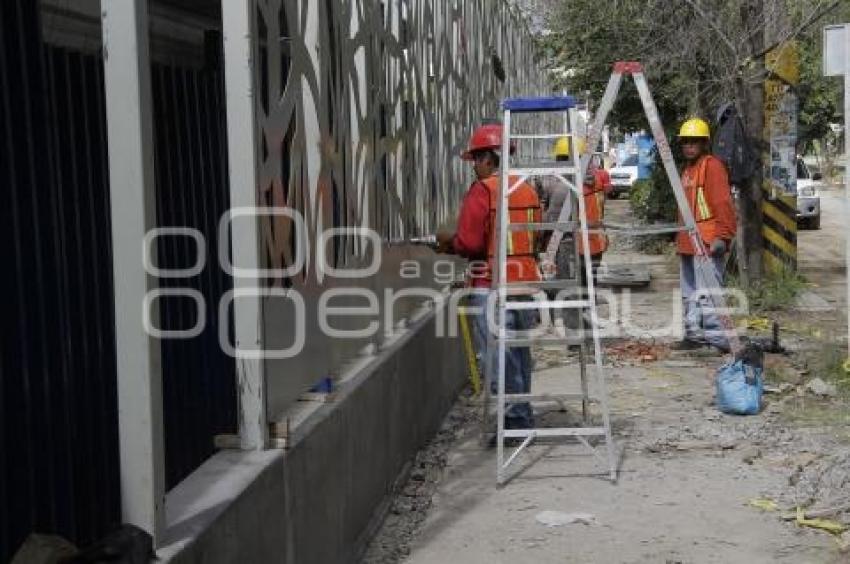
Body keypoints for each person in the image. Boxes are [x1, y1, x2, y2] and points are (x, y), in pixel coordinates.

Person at [437, 123, 541, 433]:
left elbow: (470, 243)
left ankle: (513, 419)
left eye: (475, 161)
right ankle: (521, 412)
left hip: (491, 286)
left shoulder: (484, 190)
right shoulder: (526, 187)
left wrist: (447, 243)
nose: (474, 169)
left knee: (498, 355)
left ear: (487, 158)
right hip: (525, 283)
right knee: (519, 352)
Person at [673, 118, 736, 351]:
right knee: (689, 292)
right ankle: (693, 335)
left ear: (704, 144)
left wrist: (723, 236)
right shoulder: (688, 170)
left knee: (709, 293)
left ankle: (717, 339)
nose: (689, 146)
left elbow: (722, 203)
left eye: (694, 142)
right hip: (688, 242)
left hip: (707, 241)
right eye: (685, 142)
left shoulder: (712, 166)